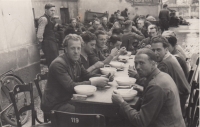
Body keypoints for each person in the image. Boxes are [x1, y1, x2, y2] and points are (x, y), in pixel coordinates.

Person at [112, 48, 186, 127]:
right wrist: (144, 91)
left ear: (153, 64)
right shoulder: (163, 76)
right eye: (135, 63)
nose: (137, 67)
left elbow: (140, 122)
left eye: (141, 63)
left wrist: (121, 102)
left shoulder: (156, 86)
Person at [41, 34, 110, 112]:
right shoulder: (58, 64)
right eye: (73, 48)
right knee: (89, 111)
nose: (76, 52)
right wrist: (94, 82)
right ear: (66, 49)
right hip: (55, 105)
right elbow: (71, 86)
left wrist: (103, 77)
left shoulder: (77, 59)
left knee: (95, 108)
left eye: (78, 48)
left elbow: (85, 75)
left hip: (68, 99)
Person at [150, 35, 190, 114]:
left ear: (166, 49)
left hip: (177, 102)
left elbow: (155, 85)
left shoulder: (164, 64)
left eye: (158, 50)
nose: (155, 53)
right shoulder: (170, 57)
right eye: (153, 50)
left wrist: (137, 76)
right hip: (182, 96)